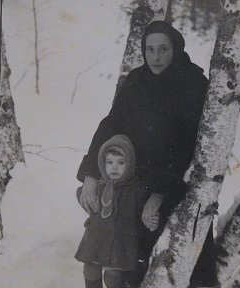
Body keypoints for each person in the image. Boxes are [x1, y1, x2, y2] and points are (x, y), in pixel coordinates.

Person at [76, 21, 219, 288]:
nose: (155, 57)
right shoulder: (137, 80)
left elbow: (190, 145)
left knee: (186, 271)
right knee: (136, 271)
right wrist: (91, 174)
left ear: (176, 49)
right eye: (150, 49)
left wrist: (161, 193)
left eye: (163, 49)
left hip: (180, 187)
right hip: (137, 185)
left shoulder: (192, 82)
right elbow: (111, 124)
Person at [75, 134, 158, 288]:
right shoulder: (99, 185)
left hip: (121, 238)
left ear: (130, 164)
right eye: (110, 162)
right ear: (103, 163)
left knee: (114, 274)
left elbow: (144, 210)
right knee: (90, 268)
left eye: (121, 163)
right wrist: (84, 198)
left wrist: (151, 219)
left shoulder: (136, 189)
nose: (114, 167)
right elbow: (82, 195)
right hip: (97, 235)